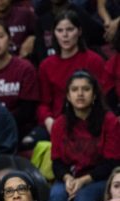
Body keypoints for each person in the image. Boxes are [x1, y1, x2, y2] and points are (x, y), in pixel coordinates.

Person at [47, 70, 120, 201]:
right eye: (75, 89)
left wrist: (83, 180)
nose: (80, 94)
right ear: (68, 96)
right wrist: (68, 179)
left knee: (85, 195)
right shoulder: (60, 124)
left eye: (86, 89)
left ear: (94, 94)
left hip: (98, 179)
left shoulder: (109, 121)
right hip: (69, 178)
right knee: (56, 194)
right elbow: (56, 162)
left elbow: (111, 163)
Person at [36, 10, 106, 139]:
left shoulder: (94, 61)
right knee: (28, 141)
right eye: (60, 30)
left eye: (70, 29)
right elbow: (43, 104)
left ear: (79, 31)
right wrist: (48, 120)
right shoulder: (46, 65)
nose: (65, 35)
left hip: (89, 121)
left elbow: (103, 98)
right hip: (57, 121)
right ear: (54, 34)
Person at [0, 20, 39, 144]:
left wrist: (2, 122)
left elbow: (28, 111)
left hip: (19, 129)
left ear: (9, 39)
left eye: (0, 36)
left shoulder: (25, 68)